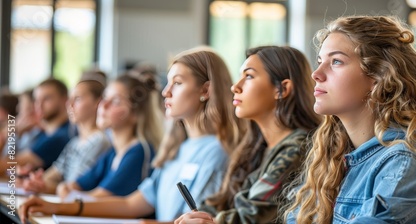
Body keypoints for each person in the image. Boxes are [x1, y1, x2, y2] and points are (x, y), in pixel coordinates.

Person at [19, 48, 246, 224]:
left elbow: (195, 220)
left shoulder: (216, 151)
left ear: (205, 91)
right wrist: (55, 207)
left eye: (177, 83)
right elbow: (131, 204)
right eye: (168, 83)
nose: (166, 92)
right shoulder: (178, 148)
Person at [284, 16, 416, 223]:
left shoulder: (402, 163)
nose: (316, 74)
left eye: (336, 61)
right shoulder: (331, 155)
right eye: (320, 61)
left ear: (378, 78)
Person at [175, 46, 321, 224]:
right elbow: (224, 202)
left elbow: (252, 217)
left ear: (281, 89)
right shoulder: (258, 148)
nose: (235, 87)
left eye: (249, 76)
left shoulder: (297, 147)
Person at [55, 74, 163, 198]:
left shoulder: (139, 152)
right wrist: (64, 189)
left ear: (135, 114)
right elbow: (74, 186)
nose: (103, 105)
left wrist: (69, 194)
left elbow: (96, 199)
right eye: (105, 97)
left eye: (116, 101)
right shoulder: (112, 152)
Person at [20, 74, 112, 194]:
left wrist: (43, 185)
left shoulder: (100, 140)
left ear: (98, 102)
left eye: (78, 99)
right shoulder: (75, 142)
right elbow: (51, 176)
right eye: (70, 99)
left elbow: (76, 187)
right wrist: (33, 180)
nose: (70, 105)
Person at [0, 79, 74, 174]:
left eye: (47, 98)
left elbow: (4, 165)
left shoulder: (60, 136)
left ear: (64, 100)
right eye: (37, 100)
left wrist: (8, 132)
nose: (39, 105)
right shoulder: (43, 133)